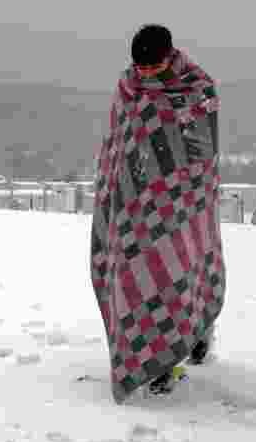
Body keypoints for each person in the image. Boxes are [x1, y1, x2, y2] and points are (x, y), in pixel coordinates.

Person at [90, 24, 225, 402]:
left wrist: (182, 186)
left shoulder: (197, 89)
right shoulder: (128, 88)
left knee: (181, 272)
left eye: (153, 67)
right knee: (136, 280)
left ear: (169, 56)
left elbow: (203, 151)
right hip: (134, 203)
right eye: (140, 68)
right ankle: (154, 359)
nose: (145, 75)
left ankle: (190, 339)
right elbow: (118, 144)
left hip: (182, 204)